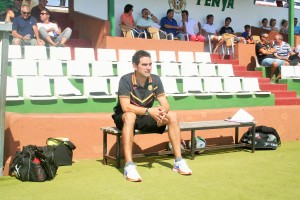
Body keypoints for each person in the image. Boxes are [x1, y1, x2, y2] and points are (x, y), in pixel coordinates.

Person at [112, 50, 192, 182]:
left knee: (172, 115)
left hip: (145, 116)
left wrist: (161, 110)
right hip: (124, 116)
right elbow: (126, 107)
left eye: (150, 64)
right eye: (144, 64)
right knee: (131, 116)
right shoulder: (126, 80)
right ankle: (129, 166)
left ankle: (178, 161)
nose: (148, 67)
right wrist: (149, 111)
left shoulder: (155, 79)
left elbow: (165, 104)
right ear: (135, 66)